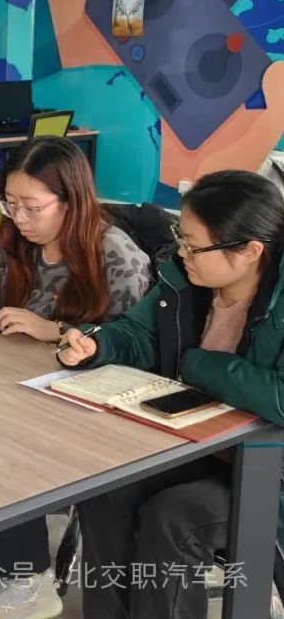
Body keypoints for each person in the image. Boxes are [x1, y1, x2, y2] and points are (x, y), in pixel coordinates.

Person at [0, 136, 154, 619]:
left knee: (3, 435)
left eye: (32, 207)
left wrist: (56, 330)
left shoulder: (117, 257)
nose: (18, 217)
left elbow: (136, 345)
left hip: (87, 400)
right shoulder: (16, 238)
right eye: (10, 203)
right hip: (19, 379)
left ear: (71, 201)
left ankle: (26, 580)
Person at [58, 170, 284, 619]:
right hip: (197, 445)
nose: (182, 252)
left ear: (249, 251)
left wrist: (198, 365)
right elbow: (137, 333)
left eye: (194, 246)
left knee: (174, 518)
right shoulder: (185, 282)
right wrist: (96, 345)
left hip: (268, 469)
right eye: (181, 237)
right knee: (104, 488)